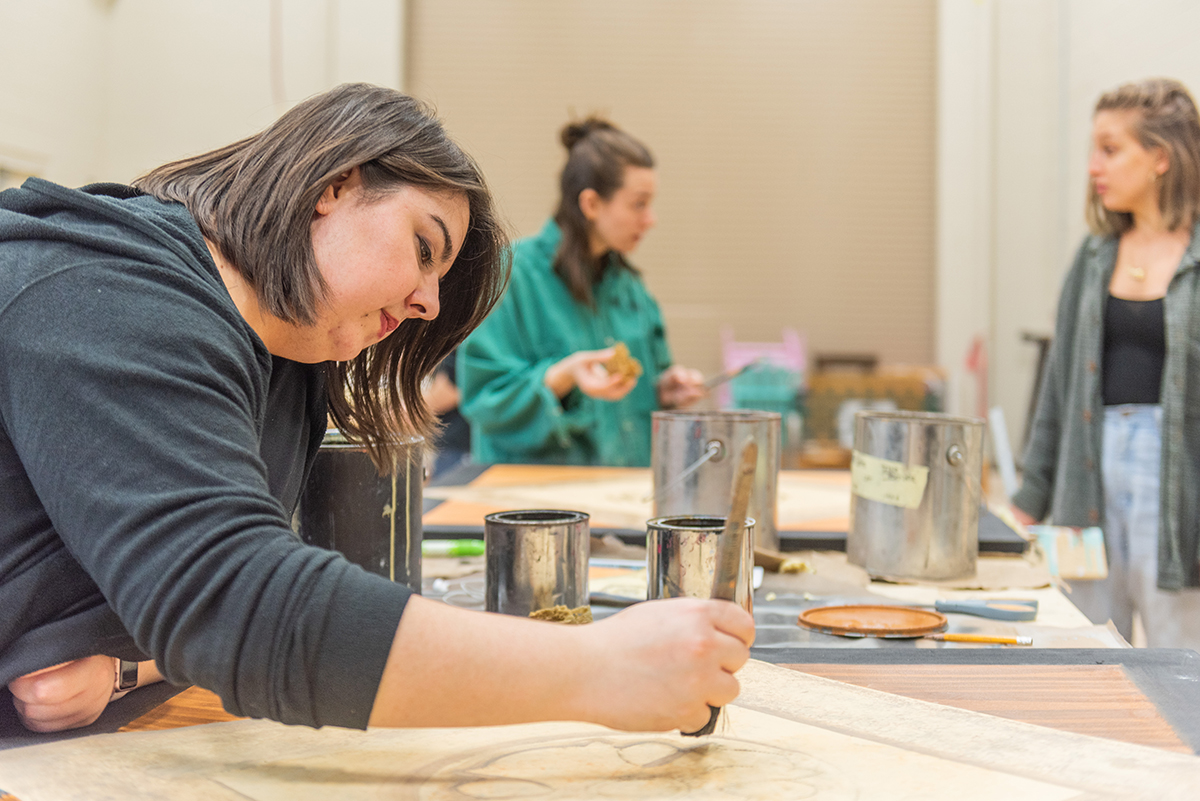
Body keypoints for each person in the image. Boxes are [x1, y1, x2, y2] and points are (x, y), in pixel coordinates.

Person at [0, 84, 753, 734]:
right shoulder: (100, 294)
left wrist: (132, 664)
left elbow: (194, 609)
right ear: (332, 185)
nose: (428, 302)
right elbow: (240, 608)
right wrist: (600, 667)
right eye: (425, 247)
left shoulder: (284, 360)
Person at [1011, 77, 1200, 649]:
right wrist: (1028, 498)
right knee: (1089, 653)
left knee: (1181, 663)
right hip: (1087, 479)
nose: (1095, 166)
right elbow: (1058, 390)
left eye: (1111, 149)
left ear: (1160, 158)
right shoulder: (1093, 258)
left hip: (1174, 490)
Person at [457, 117, 706, 466]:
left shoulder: (629, 286)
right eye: (639, 204)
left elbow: (647, 380)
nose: (651, 219)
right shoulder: (511, 274)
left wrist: (664, 387)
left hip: (620, 492)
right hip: (536, 501)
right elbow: (485, 400)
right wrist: (562, 375)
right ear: (591, 204)